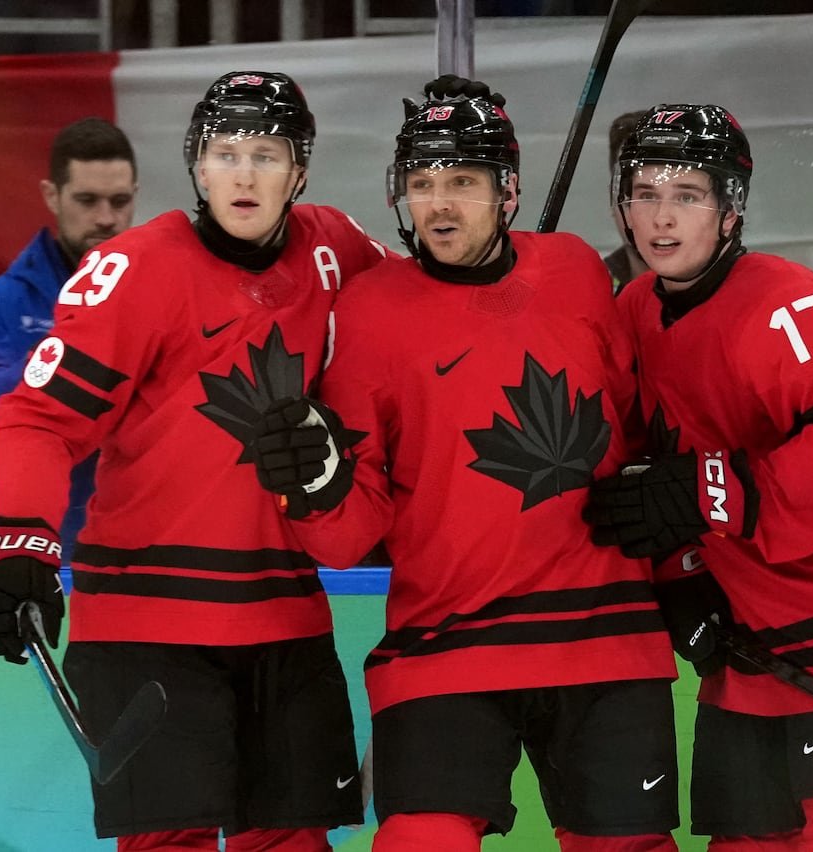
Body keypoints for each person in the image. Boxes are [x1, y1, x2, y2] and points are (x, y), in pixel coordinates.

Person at [248, 76, 681, 852]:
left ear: (508, 190)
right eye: (421, 183)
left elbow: (634, 428)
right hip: (445, 643)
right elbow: (349, 538)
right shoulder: (371, 308)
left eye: (462, 182)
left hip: (602, 637)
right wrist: (314, 488)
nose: (439, 206)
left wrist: (668, 495)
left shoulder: (578, 269)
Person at [0, 71, 387, 851]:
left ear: (301, 170)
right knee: (170, 842)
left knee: (292, 841)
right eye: (224, 153)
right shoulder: (136, 272)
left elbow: (418, 317)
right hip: (143, 619)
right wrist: (20, 534)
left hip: (283, 611)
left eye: (267, 153)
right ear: (196, 165)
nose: (245, 174)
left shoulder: (338, 249)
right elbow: (38, 417)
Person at [583, 104, 813, 850]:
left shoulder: (790, 300)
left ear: (730, 210)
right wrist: (681, 574)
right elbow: (643, 475)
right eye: (645, 193)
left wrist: (708, 491)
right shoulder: (633, 310)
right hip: (751, 647)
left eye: (687, 195)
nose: (661, 217)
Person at [0, 116, 138, 552]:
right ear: (52, 196)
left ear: (136, 198)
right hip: (40, 553)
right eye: (87, 200)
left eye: (119, 201)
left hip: (152, 556)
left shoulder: (171, 298)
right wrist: (86, 343)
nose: (106, 218)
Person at [602, 110, 648, 291]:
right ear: (612, 198)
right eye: (630, 190)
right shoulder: (584, 293)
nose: (659, 215)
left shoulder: (738, 296)